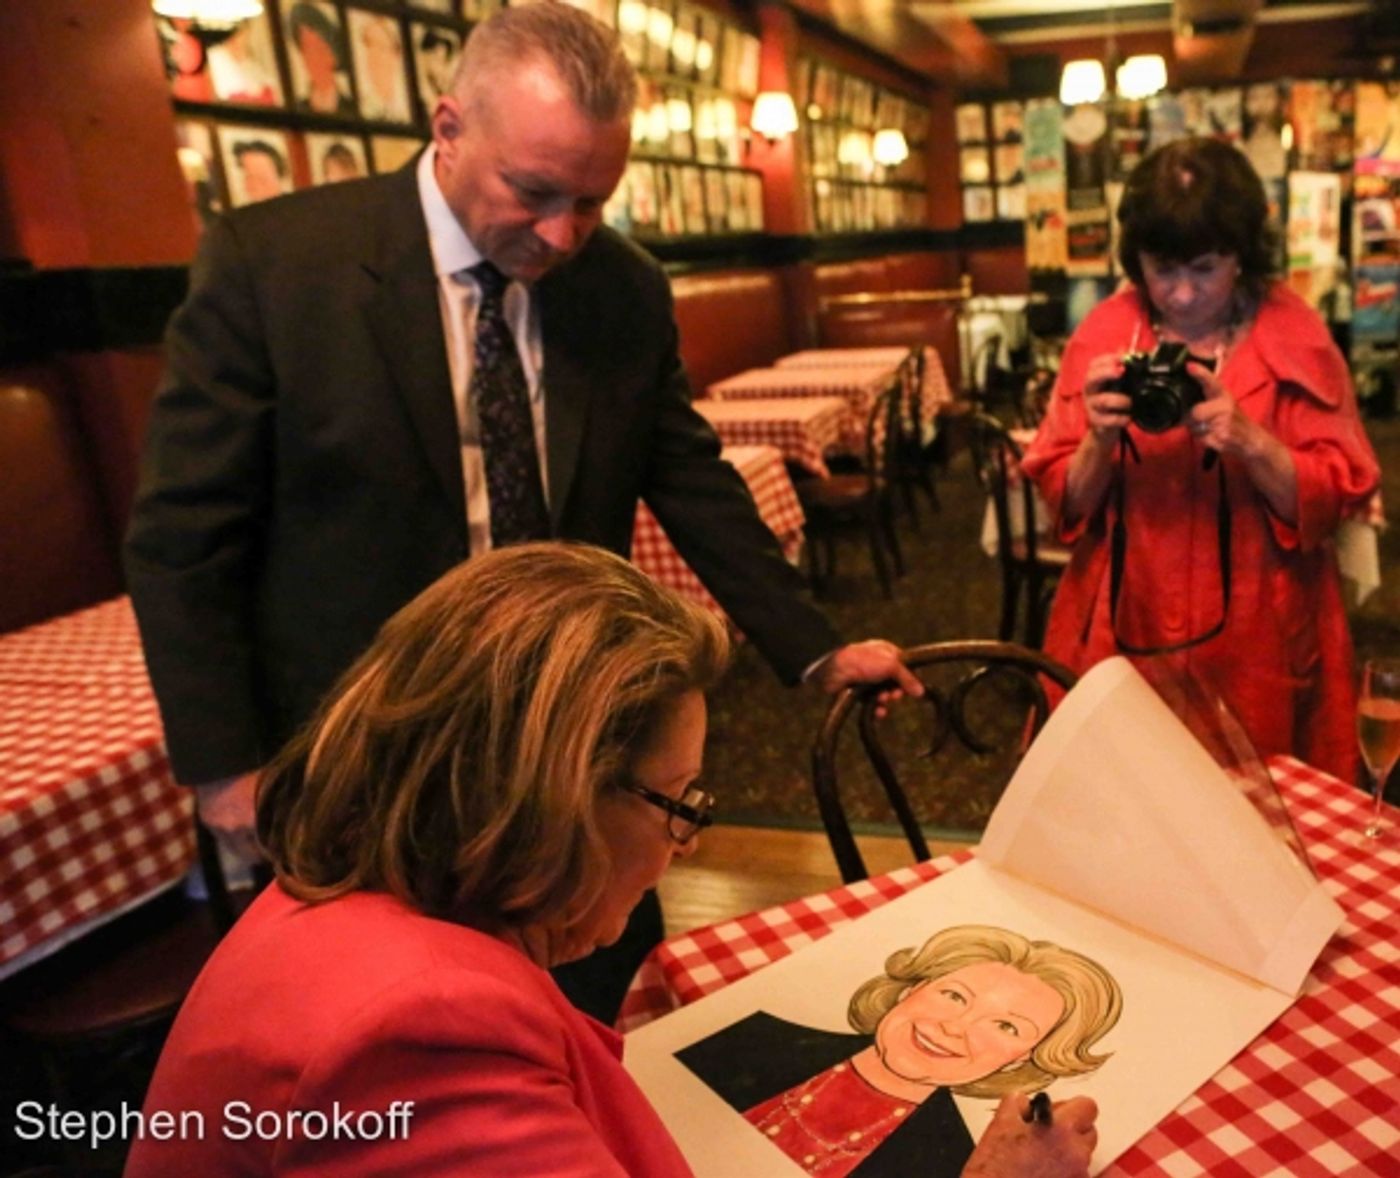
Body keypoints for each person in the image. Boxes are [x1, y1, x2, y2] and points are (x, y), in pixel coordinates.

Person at [124, 2, 919, 1020]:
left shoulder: (619, 286)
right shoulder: (277, 267)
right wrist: (224, 764)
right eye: (533, 192)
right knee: (399, 1016)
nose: (561, 234)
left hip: (569, 728)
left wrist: (814, 645)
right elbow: (184, 535)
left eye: (591, 201)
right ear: (448, 127)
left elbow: (684, 474)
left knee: (592, 989)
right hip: (369, 730)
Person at [124, 543, 1099, 1178]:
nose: (687, 845)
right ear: (552, 795)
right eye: (680, 803)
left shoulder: (338, 889)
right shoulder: (417, 1038)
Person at [1020, 138, 1380, 783]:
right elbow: (1063, 504)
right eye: (1162, 269)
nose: (1182, 295)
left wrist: (1251, 440)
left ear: (1241, 256)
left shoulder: (1294, 332)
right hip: (1124, 620)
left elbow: (1337, 496)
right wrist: (1098, 444)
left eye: (1205, 269)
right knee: (1124, 810)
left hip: (1260, 631)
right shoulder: (1105, 332)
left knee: (1263, 821)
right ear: (1137, 261)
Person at [678, 925, 1120, 1178]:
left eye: (1005, 1026)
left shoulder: (959, 1163)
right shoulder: (748, 1043)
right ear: (913, 987)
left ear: (1025, 1057)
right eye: (954, 995)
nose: (955, 1026)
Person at [286, 0, 354, 115]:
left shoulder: (352, 109)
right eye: (306, 48)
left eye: (319, 49)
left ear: (334, 56)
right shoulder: (297, 111)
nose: (312, 58)